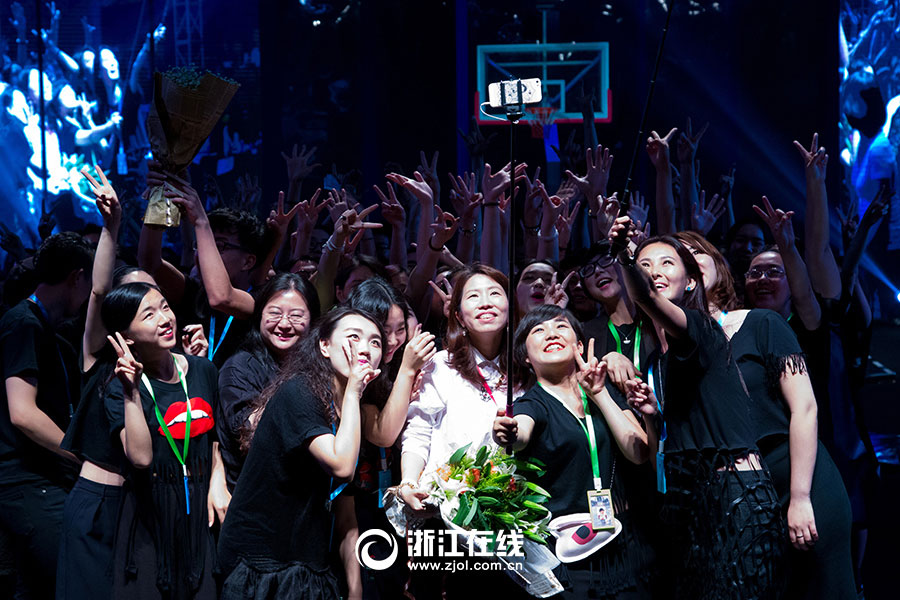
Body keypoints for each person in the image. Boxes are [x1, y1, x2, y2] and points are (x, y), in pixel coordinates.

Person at [675, 230, 856, 599]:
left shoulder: (761, 323)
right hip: (737, 493)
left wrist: (800, 497)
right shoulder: (677, 351)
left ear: (719, 265)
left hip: (795, 476)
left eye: (696, 252)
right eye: (677, 257)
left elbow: (805, 407)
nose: (688, 259)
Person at [616, 226, 783, 599]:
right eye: (645, 264)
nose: (654, 271)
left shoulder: (701, 327)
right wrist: (652, 415)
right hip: (689, 500)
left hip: (735, 493)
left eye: (666, 263)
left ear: (690, 282)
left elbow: (645, 295)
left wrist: (625, 258)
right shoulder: (655, 362)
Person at [217, 307, 384, 600]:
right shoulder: (300, 392)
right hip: (261, 566)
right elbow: (341, 466)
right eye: (354, 337)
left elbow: (346, 512)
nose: (365, 349)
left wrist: (356, 589)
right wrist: (354, 391)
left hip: (306, 562)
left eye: (375, 342)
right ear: (324, 346)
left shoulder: (348, 412)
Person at [493, 304, 657, 599]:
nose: (551, 334)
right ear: (525, 356)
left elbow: (639, 452)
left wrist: (600, 394)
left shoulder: (605, 391)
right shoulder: (530, 405)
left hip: (626, 544)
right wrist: (510, 433)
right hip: (569, 553)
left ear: (579, 346)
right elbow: (520, 432)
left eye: (561, 326)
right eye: (538, 330)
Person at [102, 282, 223, 599]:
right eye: (149, 314)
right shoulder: (118, 387)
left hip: (200, 514)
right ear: (126, 337)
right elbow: (141, 458)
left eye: (165, 307)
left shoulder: (203, 370)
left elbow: (214, 438)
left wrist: (218, 481)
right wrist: (131, 392)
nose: (165, 318)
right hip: (151, 518)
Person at [0, 232, 92, 598]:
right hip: (25, 480)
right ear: (76, 277)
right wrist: (80, 456)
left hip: (39, 478)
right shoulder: (23, 324)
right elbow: (22, 413)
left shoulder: (45, 329)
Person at [345, 277, 436, 600]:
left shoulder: (396, 362)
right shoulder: (354, 368)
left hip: (396, 493)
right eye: (385, 331)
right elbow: (382, 433)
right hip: (356, 498)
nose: (395, 340)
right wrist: (407, 372)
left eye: (401, 329)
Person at [216, 272, 320, 490]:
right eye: (274, 313)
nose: (284, 323)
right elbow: (249, 437)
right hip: (255, 493)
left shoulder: (318, 367)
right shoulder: (240, 368)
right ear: (260, 316)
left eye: (296, 316)